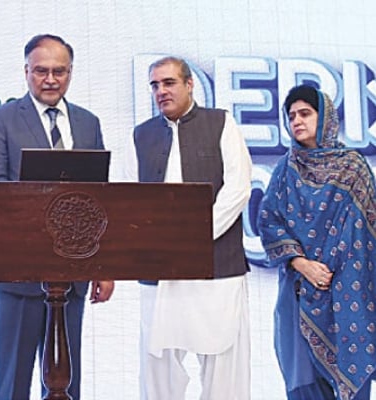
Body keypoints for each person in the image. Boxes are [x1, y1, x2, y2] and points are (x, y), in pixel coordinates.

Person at [0, 33, 115, 400]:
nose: (51, 79)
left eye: (59, 71)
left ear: (70, 73)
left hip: (73, 274)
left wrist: (103, 265)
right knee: (13, 382)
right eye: (41, 71)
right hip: (16, 275)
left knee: (66, 383)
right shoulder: (1, 120)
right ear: (26, 72)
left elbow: (100, 199)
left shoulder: (88, 123)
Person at [133, 56, 252, 400]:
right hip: (160, 271)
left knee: (223, 367)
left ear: (189, 85)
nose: (161, 91)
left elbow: (238, 188)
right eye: (155, 85)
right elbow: (128, 197)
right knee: (158, 368)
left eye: (169, 83)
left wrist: (196, 237)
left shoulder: (221, 123)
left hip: (217, 267)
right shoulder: (141, 136)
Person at [256, 84, 376, 400]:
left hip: (350, 294)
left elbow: (368, 235)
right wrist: (303, 264)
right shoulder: (285, 169)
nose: (297, 121)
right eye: (291, 115)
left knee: (352, 381)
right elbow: (268, 221)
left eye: (305, 113)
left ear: (324, 117)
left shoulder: (353, 167)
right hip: (299, 292)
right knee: (304, 383)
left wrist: (334, 270)